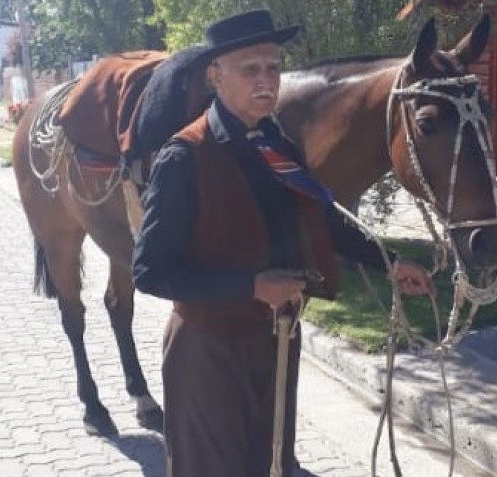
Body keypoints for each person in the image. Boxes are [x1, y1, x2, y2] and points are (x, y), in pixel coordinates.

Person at [132, 9, 435, 477]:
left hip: (273, 342)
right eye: (249, 69)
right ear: (216, 76)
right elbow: (150, 270)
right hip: (209, 352)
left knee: (270, 463)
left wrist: (389, 261)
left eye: (273, 67)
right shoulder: (185, 156)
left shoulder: (275, 142)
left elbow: (319, 215)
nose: (265, 80)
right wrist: (251, 286)